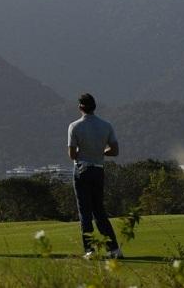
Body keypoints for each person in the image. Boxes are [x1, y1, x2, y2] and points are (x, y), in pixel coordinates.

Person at [67, 93, 123, 259]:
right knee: (99, 211)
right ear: (94, 106)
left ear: (80, 107)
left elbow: (72, 154)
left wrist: (84, 152)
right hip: (98, 170)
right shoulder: (106, 125)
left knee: (85, 213)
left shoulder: (74, 126)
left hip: (82, 170)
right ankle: (113, 249)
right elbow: (115, 151)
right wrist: (100, 151)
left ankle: (89, 251)